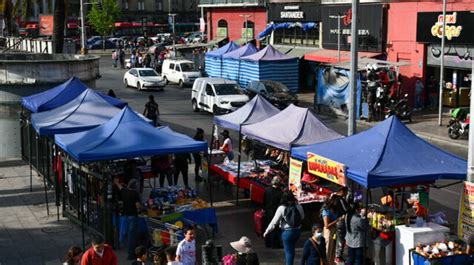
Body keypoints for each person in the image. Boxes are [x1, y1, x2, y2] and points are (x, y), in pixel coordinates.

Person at [263, 191, 304, 265]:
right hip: (297, 231)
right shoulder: (299, 206)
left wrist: (267, 231)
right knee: (292, 249)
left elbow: (274, 222)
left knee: (288, 252)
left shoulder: (281, 208)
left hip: (287, 232)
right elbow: (302, 217)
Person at [114, 178, 142, 260]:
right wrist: (140, 208)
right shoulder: (135, 194)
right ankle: (131, 253)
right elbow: (137, 206)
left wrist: (116, 182)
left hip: (124, 216)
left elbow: (120, 187)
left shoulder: (124, 191)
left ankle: (121, 245)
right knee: (132, 235)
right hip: (132, 216)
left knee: (124, 233)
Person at [263, 176, 283, 249]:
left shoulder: (267, 190)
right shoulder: (280, 192)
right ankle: (275, 244)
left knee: (268, 227)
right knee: (275, 229)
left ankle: (267, 243)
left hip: (268, 211)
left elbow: (264, 200)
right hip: (275, 212)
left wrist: (264, 209)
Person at [321, 196, 342, 265]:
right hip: (329, 231)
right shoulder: (326, 211)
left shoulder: (334, 209)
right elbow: (326, 225)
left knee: (333, 250)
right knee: (328, 250)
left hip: (334, 230)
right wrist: (337, 220)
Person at [333, 187, 349, 263]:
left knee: (340, 239)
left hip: (338, 221)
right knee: (341, 240)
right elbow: (345, 210)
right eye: (346, 192)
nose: (346, 194)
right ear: (342, 191)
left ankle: (338, 256)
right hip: (340, 221)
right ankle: (338, 256)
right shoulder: (340, 199)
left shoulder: (336, 198)